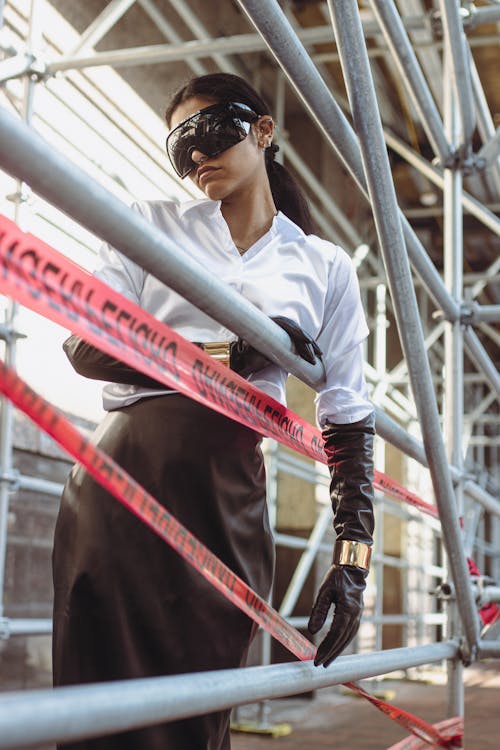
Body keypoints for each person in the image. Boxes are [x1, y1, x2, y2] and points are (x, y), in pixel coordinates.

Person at [53, 72, 375, 750]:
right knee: (96, 696)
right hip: (119, 479)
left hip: (227, 493)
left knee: (199, 706)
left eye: (209, 132)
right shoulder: (145, 224)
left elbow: (346, 414)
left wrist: (353, 559)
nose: (196, 156)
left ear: (263, 131)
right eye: (179, 147)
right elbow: (85, 342)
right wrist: (234, 350)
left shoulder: (325, 268)